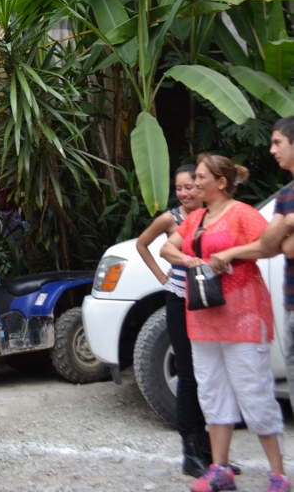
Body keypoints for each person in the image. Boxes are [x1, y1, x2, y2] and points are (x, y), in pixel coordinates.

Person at [160, 155, 289, 492]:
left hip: (244, 316)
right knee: (211, 390)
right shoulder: (195, 218)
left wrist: (231, 254)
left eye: (201, 177)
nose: (194, 183)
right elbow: (167, 249)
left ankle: (278, 475)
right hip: (203, 317)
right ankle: (220, 470)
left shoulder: (242, 213)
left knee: (253, 391)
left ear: (221, 182)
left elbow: (270, 247)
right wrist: (189, 259)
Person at [210, 117, 294, 414]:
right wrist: (286, 223)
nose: (272, 150)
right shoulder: (285, 196)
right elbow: (272, 246)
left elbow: (285, 246)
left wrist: (283, 234)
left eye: (278, 143)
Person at [136, 165, 213, 478]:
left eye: (189, 187)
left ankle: (211, 453)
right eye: (179, 188)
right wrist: (160, 276)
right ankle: (191, 453)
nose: (183, 193)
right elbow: (142, 244)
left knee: (208, 375)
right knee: (188, 374)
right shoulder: (171, 219)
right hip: (179, 300)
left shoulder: (211, 214)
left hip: (208, 301)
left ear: (201, 186)